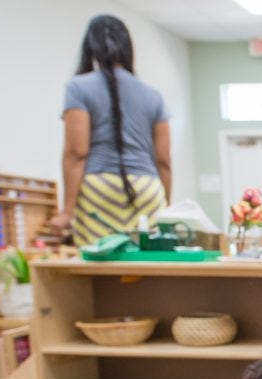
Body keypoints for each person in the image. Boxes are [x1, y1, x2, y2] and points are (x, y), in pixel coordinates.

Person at [46, 15, 171, 247]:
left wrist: (67, 212)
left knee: (99, 270)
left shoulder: (79, 88)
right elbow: (163, 160)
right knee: (147, 265)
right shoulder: (153, 95)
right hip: (147, 188)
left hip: (99, 189)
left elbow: (76, 152)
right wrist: (167, 211)